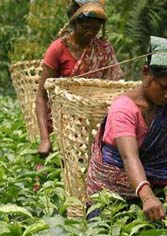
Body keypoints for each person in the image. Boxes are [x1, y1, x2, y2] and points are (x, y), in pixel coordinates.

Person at [86, 36, 167, 221]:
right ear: (146, 72)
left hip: (155, 185)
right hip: (113, 190)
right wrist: (147, 196)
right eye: (164, 86)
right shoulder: (123, 108)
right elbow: (129, 156)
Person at [35, 0, 124, 158]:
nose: (90, 33)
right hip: (62, 125)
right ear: (74, 22)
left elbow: (114, 87)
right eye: (85, 27)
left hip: (94, 125)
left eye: (95, 29)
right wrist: (44, 139)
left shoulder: (104, 50)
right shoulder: (58, 49)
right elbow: (41, 97)